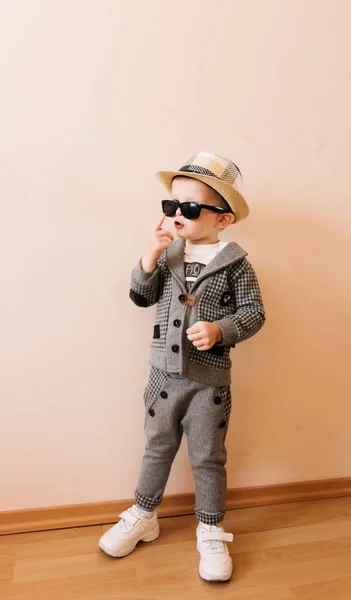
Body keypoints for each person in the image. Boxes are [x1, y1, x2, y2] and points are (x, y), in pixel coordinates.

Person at [99, 151, 265, 582]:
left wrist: (220, 330)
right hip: (163, 379)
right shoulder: (170, 253)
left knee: (208, 457)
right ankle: (144, 514)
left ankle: (210, 528)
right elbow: (141, 296)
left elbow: (254, 314)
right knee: (157, 447)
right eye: (170, 206)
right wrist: (150, 255)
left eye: (189, 209)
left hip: (208, 384)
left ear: (222, 219)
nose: (176, 215)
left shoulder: (235, 264)